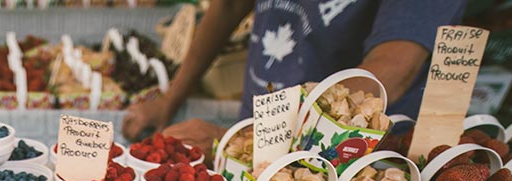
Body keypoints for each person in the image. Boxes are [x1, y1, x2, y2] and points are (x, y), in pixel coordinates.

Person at [122, 0, 467, 153]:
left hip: (349, 160)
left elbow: (392, 67)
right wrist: (171, 97)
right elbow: (228, 6)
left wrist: (251, 140)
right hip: (259, 125)